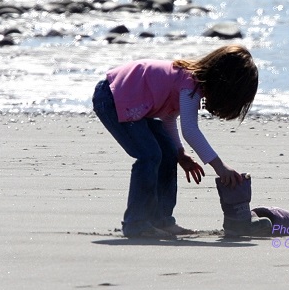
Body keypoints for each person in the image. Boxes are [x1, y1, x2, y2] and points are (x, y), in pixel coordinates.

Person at [92, 44, 259, 238]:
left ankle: (161, 220)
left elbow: (168, 116)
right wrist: (219, 166)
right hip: (112, 97)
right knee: (150, 155)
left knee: (168, 153)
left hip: (129, 101)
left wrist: (179, 152)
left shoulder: (188, 83)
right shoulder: (190, 84)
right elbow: (190, 130)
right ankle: (136, 223)